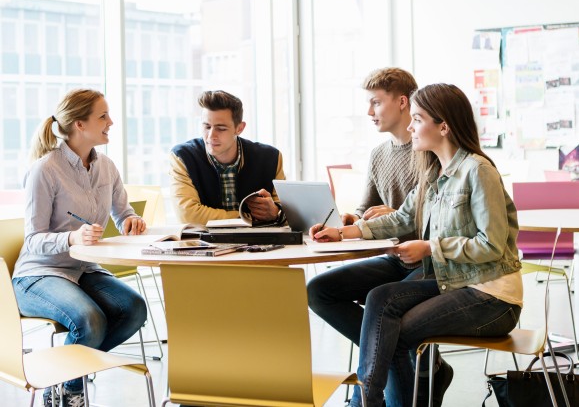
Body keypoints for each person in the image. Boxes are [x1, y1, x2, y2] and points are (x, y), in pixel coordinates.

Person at [312, 83, 523, 407]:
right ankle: (370, 399)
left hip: (492, 295)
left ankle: (365, 399)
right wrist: (342, 233)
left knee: (392, 330)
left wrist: (430, 248)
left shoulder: (478, 171)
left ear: (443, 125)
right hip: (455, 280)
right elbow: (402, 219)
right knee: (380, 301)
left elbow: (491, 245)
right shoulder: (434, 173)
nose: (410, 126)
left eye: (418, 118)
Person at [308, 67, 439, 406]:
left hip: (429, 259)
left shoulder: (430, 148)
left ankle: (368, 395)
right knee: (319, 291)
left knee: (382, 309)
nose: (369, 112)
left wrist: (393, 216)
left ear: (401, 102)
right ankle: (417, 369)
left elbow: (437, 218)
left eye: (376, 103)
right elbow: (368, 207)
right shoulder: (379, 154)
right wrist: (351, 219)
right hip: (394, 256)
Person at [12, 89, 148, 407]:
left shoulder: (107, 167)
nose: (111, 122)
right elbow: (33, 239)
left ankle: (67, 375)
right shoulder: (44, 171)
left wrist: (132, 221)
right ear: (79, 125)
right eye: (103, 116)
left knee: (134, 310)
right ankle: (69, 390)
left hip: (83, 268)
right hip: (38, 273)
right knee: (90, 321)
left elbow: (123, 212)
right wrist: (71, 238)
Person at [170, 90, 286, 226]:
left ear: (240, 128)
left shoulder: (270, 158)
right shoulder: (183, 157)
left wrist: (276, 212)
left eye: (221, 128)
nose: (211, 136)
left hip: (259, 245)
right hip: (204, 245)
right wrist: (247, 217)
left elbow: (287, 212)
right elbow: (189, 215)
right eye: (207, 126)